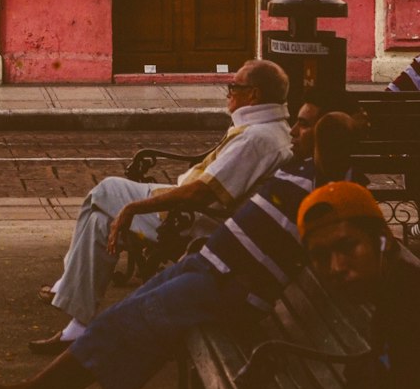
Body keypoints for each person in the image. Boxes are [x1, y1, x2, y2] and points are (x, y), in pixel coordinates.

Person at [0, 98, 353, 389]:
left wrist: (336, 128)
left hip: (227, 287)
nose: (294, 129)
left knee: (121, 326)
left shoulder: (329, 185)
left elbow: (337, 144)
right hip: (208, 266)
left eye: (305, 124)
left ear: (326, 137)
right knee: (119, 322)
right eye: (296, 120)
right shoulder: (296, 167)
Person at [36, 58, 292, 349]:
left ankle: (67, 284)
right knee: (101, 222)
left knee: (105, 190)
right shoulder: (267, 128)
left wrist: (132, 208)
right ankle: (78, 326)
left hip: (192, 219)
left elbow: (201, 194)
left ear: (254, 94)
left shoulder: (257, 138)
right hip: (193, 208)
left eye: (234, 86)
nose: (229, 92)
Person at [298, 180, 420, 389]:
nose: (336, 267)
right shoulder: (393, 292)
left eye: (348, 246)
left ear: (382, 240)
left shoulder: (408, 308)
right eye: (321, 256)